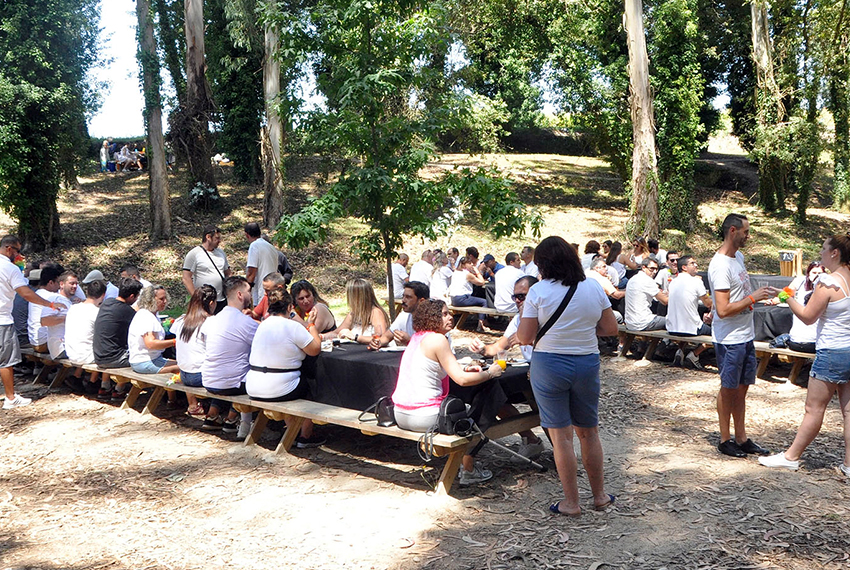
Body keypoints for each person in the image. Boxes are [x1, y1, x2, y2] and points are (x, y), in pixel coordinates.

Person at [516, 236, 619, 516]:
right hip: (586, 362)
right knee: (589, 432)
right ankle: (599, 496)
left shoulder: (538, 292)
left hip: (548, 363)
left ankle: (571, 502)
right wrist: (583, 330)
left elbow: (524, 337)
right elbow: (610, 328)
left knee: (561, 436)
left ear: (544, 264)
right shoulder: (593, 287)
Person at [758, 234, 850, 477]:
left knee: (814, 408)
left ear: (835, 253)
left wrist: (787, 297)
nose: (820, 253)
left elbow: (808, 316)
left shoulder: (828, 281)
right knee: (849, 410)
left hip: (831, 351)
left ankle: (791, 456)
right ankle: (849, 464)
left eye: (823, 248)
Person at [391, 298, 504, 485]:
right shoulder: (438, 339)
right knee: (487, 397)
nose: (450, 317)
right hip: (423, 416)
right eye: (444, 314)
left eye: (449, 313)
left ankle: (468, 462)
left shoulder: (418, 337)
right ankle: (468, 466)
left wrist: (465, 369)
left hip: (400, 413)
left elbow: (441, 368)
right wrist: (491, 373)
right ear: (432, 317)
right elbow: (461, 380)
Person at [708, 213, 773, 458]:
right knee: (728, 388)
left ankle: (742, 437)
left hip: (745, 335)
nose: (748, 236)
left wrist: (756, 300)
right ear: (732, 231)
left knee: (742, 388)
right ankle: (725, 440)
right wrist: (753, 298)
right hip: (729, 339)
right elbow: (723, 310)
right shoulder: (720, 265)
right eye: (746, 231)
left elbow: (738, 298)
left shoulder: (738, 257)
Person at [470, 275, 546, 459]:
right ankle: (531, 440)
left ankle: (563, 456)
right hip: (527, 373)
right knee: (493, 393)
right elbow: (497, 347)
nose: (518, 301)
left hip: (547, 372)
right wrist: (482, 349)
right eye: (515, 297)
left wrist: (531, 339)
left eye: (523, 296)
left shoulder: (546, 317)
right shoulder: (518, 320)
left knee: (546, 410)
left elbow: (559, 348)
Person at [246, 287, 325, 447]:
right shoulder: (292, 326)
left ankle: (293, 430)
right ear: (290, 307)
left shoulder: (262, 325)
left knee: (294, 381)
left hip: (254, 385)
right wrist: (311, 326)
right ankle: (305, 436)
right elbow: (315, 348)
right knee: (309, 385)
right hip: (279, 388)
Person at [1, 235, 55, 409]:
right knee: (6, 361)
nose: (19, 255)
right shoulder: (10, 268)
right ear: (9, 248)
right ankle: (10, 398)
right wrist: (49, 304)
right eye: (17, 251)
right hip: (3, 320)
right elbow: (26, 293)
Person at [199, 277, 258, 433]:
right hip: (232, 384)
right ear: (240, 295)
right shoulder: (245, 323)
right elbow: (264, 347)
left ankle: (238, 424)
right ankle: (247, 426)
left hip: (209, 380)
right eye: (248, 292)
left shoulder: (212, 321)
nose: (250, 296)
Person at [93, 277, 143, 400]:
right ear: (131, 296)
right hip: (114, 359)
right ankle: (119, 390)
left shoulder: (107, 303)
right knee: (141, 357)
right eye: (136, 297)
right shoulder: (126, 310)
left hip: (99, 356)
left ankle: (105, 387)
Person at [172, 285, 217, 417]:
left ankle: (197, 406)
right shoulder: (211, 322)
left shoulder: (181, 320)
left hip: (184, 374)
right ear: (211, 303)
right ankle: (214, 414)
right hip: (199, 376)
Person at [666, 256, 713, 370]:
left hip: (672, 328)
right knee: (717, 332)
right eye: (692, 263)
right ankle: (695, 354)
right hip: (691, 329)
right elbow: (708, 303)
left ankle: (680, 352)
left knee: (686, 321)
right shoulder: (696, 281)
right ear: (684, 267)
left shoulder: (673, 282)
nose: (696, 265)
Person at [769, 261, 824, 353]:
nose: (817, 276)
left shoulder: (825, 287)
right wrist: (774, 300)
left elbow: (785, 295)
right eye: (814, 273)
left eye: (820, 273)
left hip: (804, 342)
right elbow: (787, 293)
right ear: (808, 273)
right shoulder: (800, 281)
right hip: (804, 343)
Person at [64, 279, 106, 392]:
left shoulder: (73, 308)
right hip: (86, 356)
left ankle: (77, 376)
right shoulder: (97, 312)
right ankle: (93, 382)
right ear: (103, 295)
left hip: (71, 352)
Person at [128, 286, 179, 375]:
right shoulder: (146, 316)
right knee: (185, 369)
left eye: (165, 298)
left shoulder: (150, 314)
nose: (165, 301)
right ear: (151, 300)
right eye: (161, 299)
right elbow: (151, 344)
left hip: (151, 359)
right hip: (144, 362)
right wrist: (174, 342)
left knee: (184, 364)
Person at [182, 225, 232, 312]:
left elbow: (228, 273)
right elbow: (186, 278)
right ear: (208, 237)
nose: (219, 241)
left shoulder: (221, 253)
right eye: (217, 238)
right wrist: (196, 298)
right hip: (204, 301)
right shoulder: (194, 254)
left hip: (221, 300)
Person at [329, 278, 390, 345]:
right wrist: (321, 336)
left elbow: (381, 338)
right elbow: (336, 333)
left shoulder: (375, 312)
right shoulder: (353, 314)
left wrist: (355, 337)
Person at [371, 281, 429, 348]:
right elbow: (386, 337)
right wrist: (377, 343)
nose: (403, 300)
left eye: (408, 297)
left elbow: (431, 350)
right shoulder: (404, 315)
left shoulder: (433, 321)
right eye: (403, 296)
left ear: (421, 301)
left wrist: (409, 341)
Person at [42, 270, 78, 359]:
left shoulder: (69, 301)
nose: (75, 286)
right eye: (72, 283)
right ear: (61, 284)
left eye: (76, 284)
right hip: (61, 348)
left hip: (70, 346)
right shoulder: (55, 299)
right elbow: (44, 321)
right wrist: (68, 317)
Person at [624, 258, 668, 331]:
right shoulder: (647, 280)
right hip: (643, 322)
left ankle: (649, 342)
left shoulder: (632, 279)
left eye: (656, 269)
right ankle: (666, 342)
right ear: (643, 267)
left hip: (630, 323)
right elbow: (665, 301)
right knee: (673, 322)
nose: (654, 272)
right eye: (652, 269)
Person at [28, 265, 63, 353]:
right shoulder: (52, 297)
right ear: (51, 282)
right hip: (44, 343)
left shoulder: (36, 294)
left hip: (34, 341)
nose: (59, 286)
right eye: (58, 282)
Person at [244, 222, 280, 306]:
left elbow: (252, 271)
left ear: (247, 235)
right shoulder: (271, 247)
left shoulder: (254, 246)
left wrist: (247, 287)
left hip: (261, 291)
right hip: (273, 288)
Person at [449, 256, 488, 331]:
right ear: (464, 265)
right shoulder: (467, 274)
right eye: (470, 264)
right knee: (484, 302)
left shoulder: (456, 272)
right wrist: (477, 271)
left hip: (453, 299)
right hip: (462, 298)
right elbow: (481, 282)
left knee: (477, 300)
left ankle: (481, 321)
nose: (472, 265)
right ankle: (481, 324)